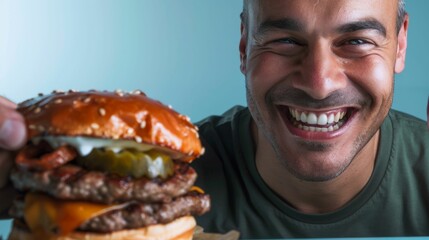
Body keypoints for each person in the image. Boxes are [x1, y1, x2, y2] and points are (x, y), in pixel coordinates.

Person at [0, 0, 428, 238]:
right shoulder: (173, 179)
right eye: (282, 39)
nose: (318, 82)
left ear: (401, 44)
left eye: (356, 40)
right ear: (244, 46)